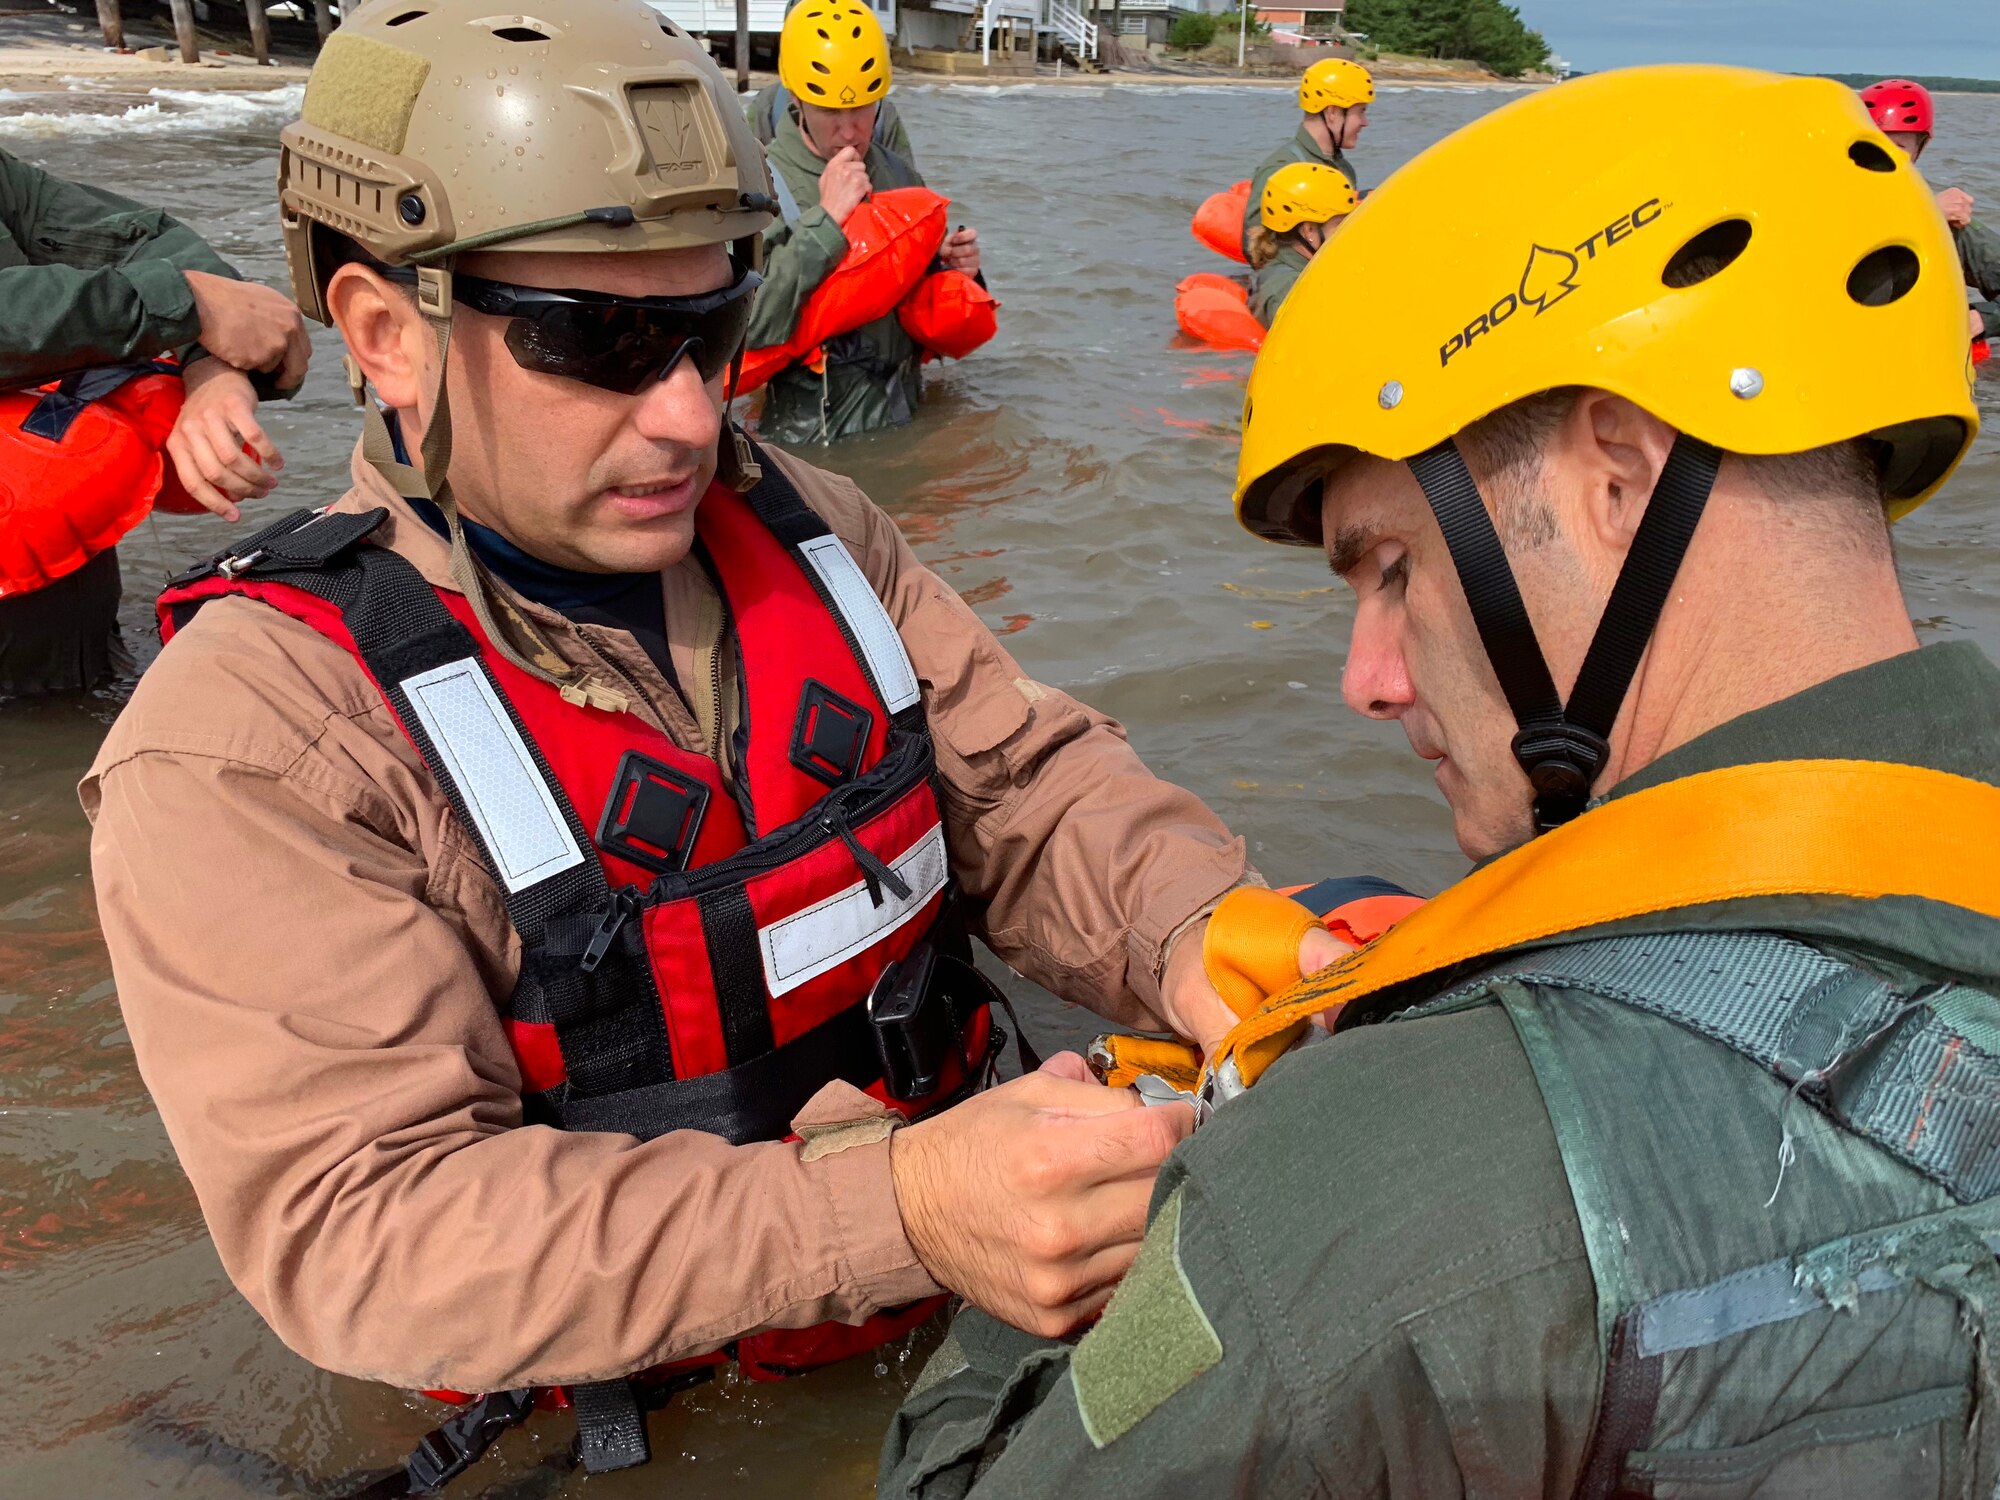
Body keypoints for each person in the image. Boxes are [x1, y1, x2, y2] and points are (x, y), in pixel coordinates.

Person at [82, 0, 1333, 1486]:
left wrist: (1197, 927)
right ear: (382, 336)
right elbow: (376, 1232)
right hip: (626, 1426)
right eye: (600, 341)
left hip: (982, 1278)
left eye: (713, 325)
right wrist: (908, 1211)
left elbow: (1026, 790)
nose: (688, 413)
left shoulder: (815, 534)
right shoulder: (254, 739)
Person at [881, 65, 2000, 1498]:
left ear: (1620, 475)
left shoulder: (1371, 1180)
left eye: (1393, 570)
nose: (1367, 677)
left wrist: (1070, 1230)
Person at [0, 146, 309, 696]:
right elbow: (178, 288)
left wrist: (212, 367)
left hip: (54, 612)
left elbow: (141, 237)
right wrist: (183, 302)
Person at [748, 0, 982, 444]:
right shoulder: (761, 184)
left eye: (863, 109)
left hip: (904, 419)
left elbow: (918, 297)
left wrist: (955, 267)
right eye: (830, 112)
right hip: (811, 440)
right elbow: (749, 324)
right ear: (796, 99)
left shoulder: (898, 173)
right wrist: (826, 221)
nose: (850, 131)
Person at [1861, 78, 2000, 342]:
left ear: (1919, 149)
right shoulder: (1819, 202)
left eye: (1899, 146)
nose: (1883, 155)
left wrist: (1982, 318)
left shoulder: (1949, 224)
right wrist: (1926, 213)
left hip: (1911, 347)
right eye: (1872, 143)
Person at [1240, 56, 1369, 262]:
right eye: (1361, 112)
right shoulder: (1281, 169)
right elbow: (1256, 251)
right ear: (1333, 112)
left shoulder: (1343, 168)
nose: (1365, 122)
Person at [1246, 161, 1355, 328]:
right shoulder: (1289, 290)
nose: (1348, 233)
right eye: (1340, 225)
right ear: (1309, 231)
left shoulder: (1294, 272)